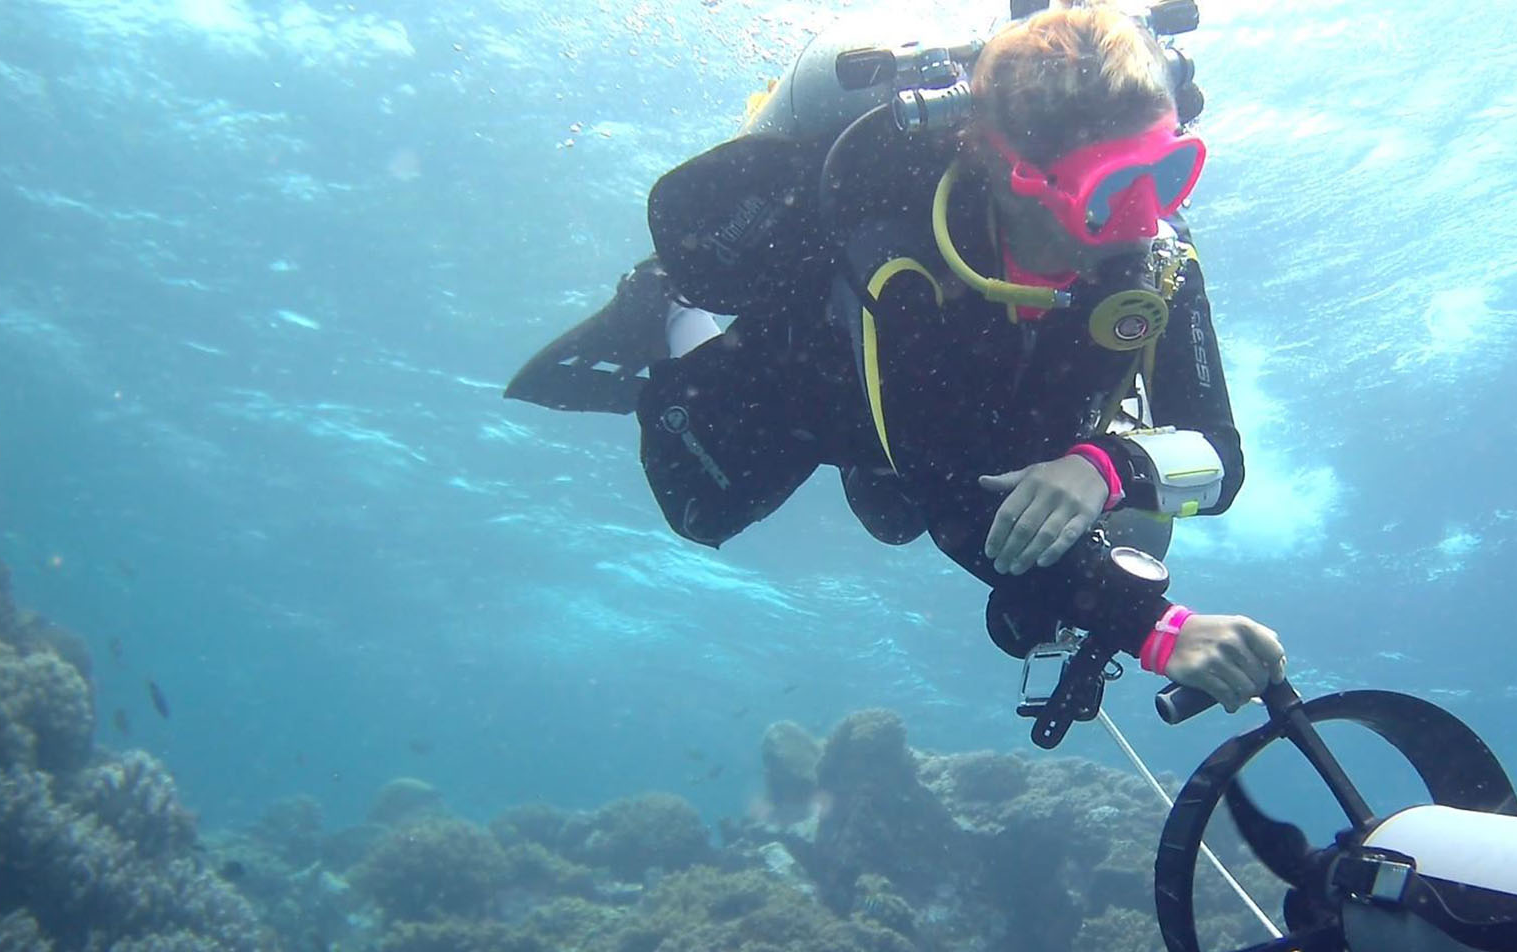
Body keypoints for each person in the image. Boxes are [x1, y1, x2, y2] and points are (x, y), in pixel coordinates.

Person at [508, 0, 1285, 714]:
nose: (1147, 218)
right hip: (835, 388)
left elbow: (1219, 454)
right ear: (1014, 175)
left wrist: (1106, 465)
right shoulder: (906, 259)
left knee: (915, 520)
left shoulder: (1156, 256)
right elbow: (951, 494)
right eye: (1111, 189)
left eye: (1169, 173)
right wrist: (1156, 631)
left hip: (966, 418)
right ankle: (672, 312)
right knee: (701, 508)